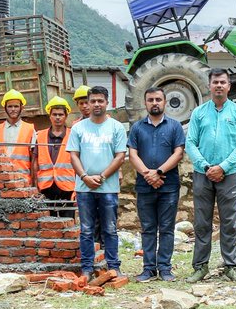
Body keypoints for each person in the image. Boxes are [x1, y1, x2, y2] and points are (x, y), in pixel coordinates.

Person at [184, 69, 236, 283]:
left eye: (223, 82)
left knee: (229, 221)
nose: (219, 86)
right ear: (209, 86)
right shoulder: (199, 113)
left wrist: (222, 166)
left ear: (229, 86)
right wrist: (205, 166)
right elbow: (190, 143)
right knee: (202, 222)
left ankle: (230, 266)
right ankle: (200, 267)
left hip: (228, 174)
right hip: (202, 174)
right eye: (215, 82)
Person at [66, 86, 128, 279]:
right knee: (86, 229)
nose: (96, 104)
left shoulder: (116, 127)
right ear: (88, 103)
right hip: (84, 187)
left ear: (107, 103)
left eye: (100, 101)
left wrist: (101, 177)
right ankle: (86, 268)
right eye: (93, 101)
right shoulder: (78, 128)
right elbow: (73, 156)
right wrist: (85, 176)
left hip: (108, 187)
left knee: (110, 228)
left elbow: (120, 156)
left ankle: (113, 267)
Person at [127, 87, 186, 282]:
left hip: (168, 186)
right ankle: (148, 269)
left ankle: (165, 268)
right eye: (150, 99)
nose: (155, 103)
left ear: (165, 102)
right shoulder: (137, 128)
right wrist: (147, 174)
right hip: (144, 186)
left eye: (158, 99)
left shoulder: (175, 126)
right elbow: (132, 154)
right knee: (148, 228)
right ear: (145, 103)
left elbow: (178, 153)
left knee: (167, 228)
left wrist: (159, 172)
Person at [35, 96, 75, 217]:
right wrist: (35, 186)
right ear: (50, 116)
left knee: (68, 223)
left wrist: (78, 188)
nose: (57, 117)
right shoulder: (39, 135)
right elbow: (35, 163)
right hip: (46, 187)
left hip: (67, 188)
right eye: (54, 114)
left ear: (66, 116)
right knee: (47, 226)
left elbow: (79, 161)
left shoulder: (73, 135)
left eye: (61, 114)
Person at [0, 89, 36, 183]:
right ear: (5, 108)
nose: (13, 109)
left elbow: (34, 160)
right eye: (10, 106)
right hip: (2, 182)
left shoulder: (30, 129)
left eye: (16, 106)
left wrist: (33, 183)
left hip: (23, 181)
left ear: (21, 108)